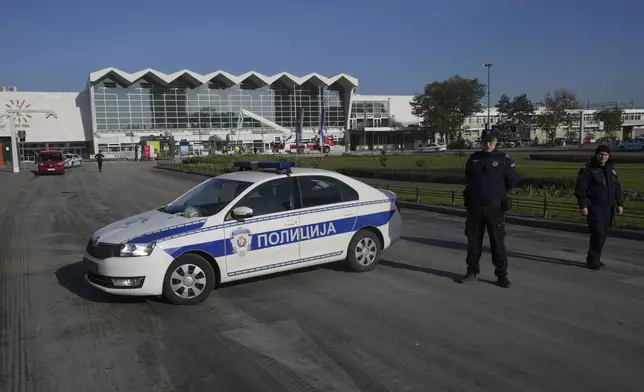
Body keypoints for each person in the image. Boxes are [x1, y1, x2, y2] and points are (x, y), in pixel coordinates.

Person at [461, 129, 518, 288]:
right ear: (481, 142)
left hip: (495, 208)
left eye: (491, 141)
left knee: (497, 243)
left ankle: (501, 275)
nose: (488, 144)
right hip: (475, 208)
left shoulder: (503, 159)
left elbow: (511, 181)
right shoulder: (474, 159)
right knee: (473, 242)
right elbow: (468, 178)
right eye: (485, 141)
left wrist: (496, 193)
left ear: (496, 141)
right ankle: (472, 271)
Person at [574, 144, 624, 270]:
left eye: (606, 155)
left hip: (608, 207)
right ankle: (593, 259)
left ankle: (594, 258)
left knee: (603, 234)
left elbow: (617, 188)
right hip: (594, 206)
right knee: (598, 232)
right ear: (596, 155)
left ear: (609, 156)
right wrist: (583, 205)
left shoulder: (611, 169)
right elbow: (580, 189)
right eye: (601, 154)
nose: (603, 157)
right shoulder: (588, 169)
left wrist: (620, 203)